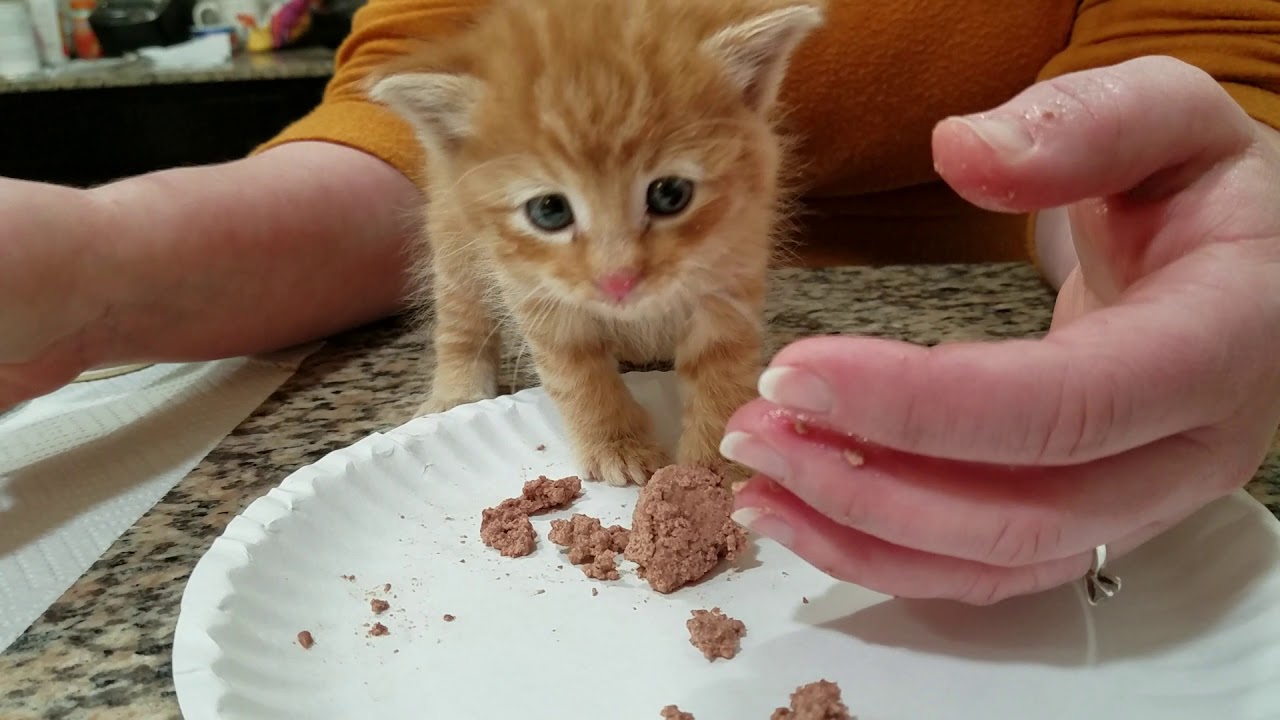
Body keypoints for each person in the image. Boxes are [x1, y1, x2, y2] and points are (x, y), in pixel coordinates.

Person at [2, 0, 1277, 605]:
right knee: (512, 294)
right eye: (566, 218)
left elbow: (1209, 73)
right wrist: (100, 252)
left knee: (700, 316)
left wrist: (1175, 237)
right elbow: (390, 120)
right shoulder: (505, 170)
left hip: (1000, 299)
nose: (619, 271)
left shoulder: (732, 111)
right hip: (491, 225)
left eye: (662, 199)